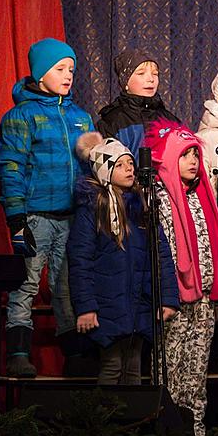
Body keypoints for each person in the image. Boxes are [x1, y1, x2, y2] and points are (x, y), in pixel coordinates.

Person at [0, 37, 94, 377]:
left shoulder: (80, 117)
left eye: (71, 69)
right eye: (60, 69)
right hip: (35, 216)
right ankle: (19, 353)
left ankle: (76, 357)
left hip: (72, 217)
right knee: (25, 284)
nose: (68, 75)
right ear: (40, 75)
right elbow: (11, 167)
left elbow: (90, 167)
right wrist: (17, 219)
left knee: (67, 286)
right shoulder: (21, 117)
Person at [144, 119, 218, 436]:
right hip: (174, 300)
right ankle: (166, 431)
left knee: (196, 371)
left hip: (203, 298)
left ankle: (194, 431)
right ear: (169, 159)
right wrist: (166, 296)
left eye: (196, 155)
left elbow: (214, 244)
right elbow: (158, 254)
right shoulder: (157, 200)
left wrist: (216, 289)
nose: (193, 162)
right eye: (185, 155)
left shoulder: (203, 195)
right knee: (168, 368)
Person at [68, 133, 179, 384]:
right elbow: (80, 262)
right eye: (119, 165)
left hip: (139, 303)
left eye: (130, 164)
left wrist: (169, 298)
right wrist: (86, 307)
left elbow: (161, 254)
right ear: (105, 172)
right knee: (112, 366)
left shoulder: (142, 207)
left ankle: (135, 423)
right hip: (108, 305)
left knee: (133, 368)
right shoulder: (92, 211)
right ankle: (107, 422)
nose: (129, 169)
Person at [95, 49, 182, 156]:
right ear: (125, 81)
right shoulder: (111, 122)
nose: (150, 79)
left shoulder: (169, 119)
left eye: (155, 74)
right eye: (141, 73)